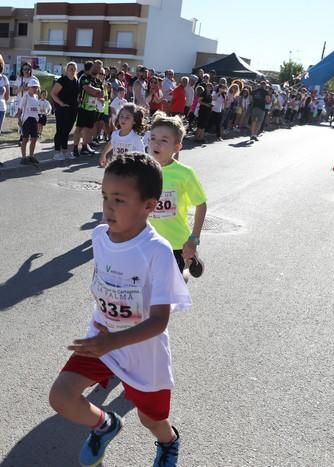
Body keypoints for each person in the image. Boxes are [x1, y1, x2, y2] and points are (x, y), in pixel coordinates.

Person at [48, 153, 191, 467]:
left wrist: (113, 341)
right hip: (102, 338)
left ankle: (168, 443)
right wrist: (107, 337)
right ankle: (104, 424)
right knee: (61, 397)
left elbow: (159, 321)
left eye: (119, 199)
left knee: (150, 419)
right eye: (104, 196)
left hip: (143, 350)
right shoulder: (100, 236)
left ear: (149, 206)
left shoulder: (157, 251)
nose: (108, 206)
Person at [148, 112, 207, 277]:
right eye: (153, 138)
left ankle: (189, 258)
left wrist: (193, 239)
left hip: (175, 243)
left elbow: (201, 205)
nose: (156, 144)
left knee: (167, 291)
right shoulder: (142, 169)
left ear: (177, 147)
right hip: (146, 241)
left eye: (164, 140)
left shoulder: (184, 174)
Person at [99, 103, 146, 167]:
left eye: (127, 117)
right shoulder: (115, 134)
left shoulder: (135, 138)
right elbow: (111, 144)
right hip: (116, 166)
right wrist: (103, 154)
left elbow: (142, 155)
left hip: (130, 168)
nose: (123, 119)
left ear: (134, 121)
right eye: (121, 116)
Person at [51, 61, 80, 161]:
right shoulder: (62, 80)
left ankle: (65, 151)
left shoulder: (76, 81)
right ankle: (57, 152)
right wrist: (61, 103)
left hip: (73, 110)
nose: (72, 71)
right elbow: (53, 94)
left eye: (74, 69)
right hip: (62, 109)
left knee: (67, 131)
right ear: (66, 70)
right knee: (60, 130)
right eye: (70, 69)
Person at [74, 61, 104, 157]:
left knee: (89, 129)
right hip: (83, 107)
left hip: (92, 108)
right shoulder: (84, 77)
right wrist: (96, 91)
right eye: (95, 67)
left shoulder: (98, 81)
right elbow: (87, 88)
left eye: (99, 68)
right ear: (92, 67)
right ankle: (75, 148)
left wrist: (96, 91)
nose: (96, 69)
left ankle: (84, 147)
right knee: (79, 128)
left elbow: (102, 95)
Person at [17, 77, 42, 166]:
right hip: (27, 119)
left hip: (34, 120)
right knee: (25, 138)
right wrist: (19, 119)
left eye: (36, 87)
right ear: (29, 87)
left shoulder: (36, 97)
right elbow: (20, 108)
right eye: (33, 87)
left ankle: (31, 155)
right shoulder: (25, 96)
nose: (35, 89)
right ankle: (23, 157)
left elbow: (37, 109)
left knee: (34, 138)